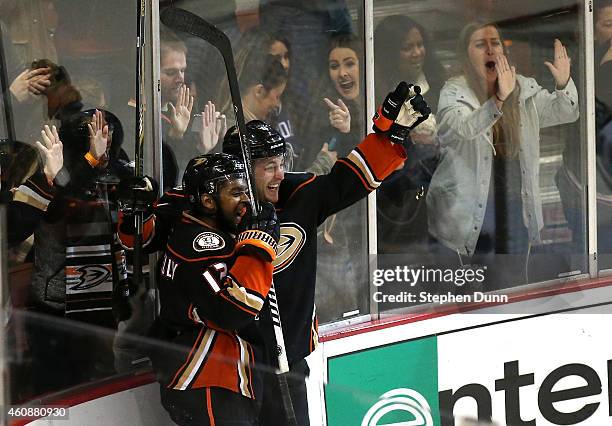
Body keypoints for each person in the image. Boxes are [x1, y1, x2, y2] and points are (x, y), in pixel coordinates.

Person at [119, 153, 279, 425]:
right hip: (209, 378)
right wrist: (259, 246)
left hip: (205, 377)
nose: (246, 201)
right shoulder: (204, 244)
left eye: (246, 190)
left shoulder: (195, 228)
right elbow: (234, 309)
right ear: (207, 201)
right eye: (236, 192)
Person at [426, 22, 579, 288]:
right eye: (480, 44)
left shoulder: (522, 87)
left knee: (513, 287)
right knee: (472, 294)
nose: (489, 50)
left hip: (515, 206)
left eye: (494, 43)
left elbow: (566, 112)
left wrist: (564, 82)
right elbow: (464, 128)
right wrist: (498, 98)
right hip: (468, 211)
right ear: (466, 54)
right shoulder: (453, 91)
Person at [8, 109, 132, 396]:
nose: (102, 148)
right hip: (57, 310)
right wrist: (86, 164)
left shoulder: (114, 177)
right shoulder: (49, 181)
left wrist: (177, 138)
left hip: (103, 306)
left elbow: (150, 190)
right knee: (57, 390)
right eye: (96, 142)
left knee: (103, 387)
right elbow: (55, 208)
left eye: (107, 141)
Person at [374, 15, 446, 254]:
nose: (417, 53)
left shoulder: (440, 85)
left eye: (420, 44)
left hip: (445, 199)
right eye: (407, 48)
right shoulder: (379, 96)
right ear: (390, 52)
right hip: (402, 210)